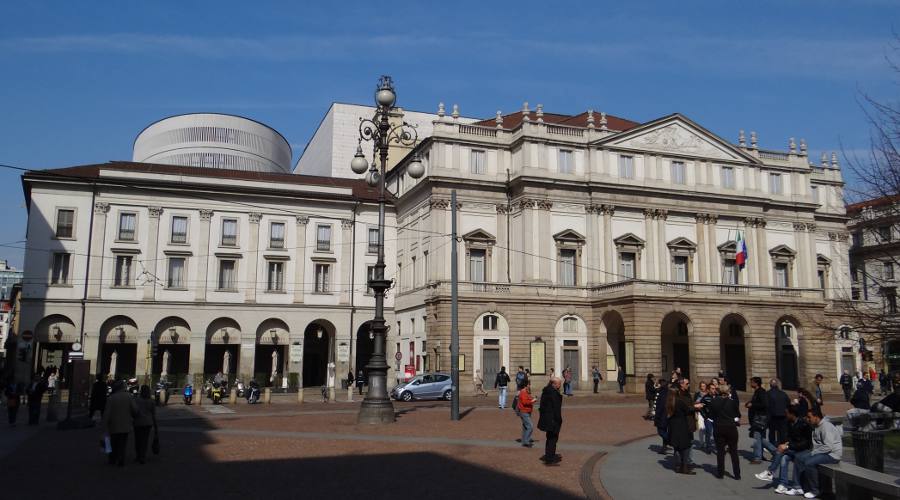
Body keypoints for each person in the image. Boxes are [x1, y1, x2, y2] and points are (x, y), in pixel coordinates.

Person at [755, 404, 812, 494]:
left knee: (781, 451)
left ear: (792, 414)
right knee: (784, 458)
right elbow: (788, 437)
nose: (785, 415)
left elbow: (806, 443)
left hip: (803, 451)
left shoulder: (804, 424)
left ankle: (770, 472)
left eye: (787, 413)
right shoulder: (789, 422)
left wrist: (788, 446)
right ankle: (783, 484)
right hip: (794, 449)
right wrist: (786, 443)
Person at [793, 408, 842, 498]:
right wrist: (813, 452)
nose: (808, 419)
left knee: (809, 463)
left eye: (809, 417)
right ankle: (798, 487)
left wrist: (813, 453)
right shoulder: (815, 426)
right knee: (798, 458)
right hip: (821, 452)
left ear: (816, 417)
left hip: (832, 455)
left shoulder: (826, 427)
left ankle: (815, 490)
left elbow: (828, 446)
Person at [666, 377, 699, 474]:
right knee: (686, 446)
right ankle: (684, 467)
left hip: (673, 425)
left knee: (677, 446)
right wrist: (696, 407)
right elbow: (688, 409)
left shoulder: (669, 402)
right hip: (682, 425)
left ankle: (679, 466)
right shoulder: (679, 401)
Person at [708, 384, 741, 479]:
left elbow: (711, 416)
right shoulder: (732, 402)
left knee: (720, 451)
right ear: (728, 392)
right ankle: (737, 474)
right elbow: (737, 415)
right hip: (730, 427)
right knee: (733, 451)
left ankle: (720, 473)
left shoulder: (713, 401)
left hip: (718, 427)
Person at [104, 380, 138, 466]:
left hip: (113, 424)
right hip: (125, 424)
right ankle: (121, 459)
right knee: (123, 443)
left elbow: (106, 414)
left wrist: (104, 425)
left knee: (113, 442)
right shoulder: (129, 396)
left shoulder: (111, 398)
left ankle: (112, 458)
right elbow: (135, 410)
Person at [537, 377, 563, 465]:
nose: (560, 386)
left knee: (550, 439)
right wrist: (559, 420)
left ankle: (549, 457)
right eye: (559, 384)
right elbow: (556, 409)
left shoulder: (546, 391)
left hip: (547, 419)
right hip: (552, 420)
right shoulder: (553, 393)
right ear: (553, 384)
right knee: (553, 439)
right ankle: (550, 459)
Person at [745, 377, 770, 464]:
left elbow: (765, 404)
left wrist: (752, 405)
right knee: (760, 438)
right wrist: (749, 403)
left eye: (751, 382)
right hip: (757, 419)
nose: (750, 384)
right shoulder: (757, 392)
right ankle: (763, 454)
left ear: (756, 383)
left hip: (759, 419)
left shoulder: (761, 392)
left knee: (757, 438)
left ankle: (758, 457)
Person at [133, 385, 156, 464]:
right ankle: (143, 456)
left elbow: (134, 411)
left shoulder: (136, 400)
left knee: (137, 440)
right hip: (148, 423)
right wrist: (155, 425)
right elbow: (153, 414)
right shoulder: (151, 401)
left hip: (138, 422)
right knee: (145, 440)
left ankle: (138, 455)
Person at [767, 378, 790, 445]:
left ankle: (772, 445)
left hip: (772, 416)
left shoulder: (768, 393)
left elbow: (767, 405)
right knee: (782, 431)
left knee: (772, 432)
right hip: (782, 415)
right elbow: (788, 403)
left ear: (770, 385)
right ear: (777, 385)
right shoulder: (783, 393)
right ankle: (781, 444)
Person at [517, 380, 536, 448]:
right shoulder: (523, 392)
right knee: (530, 426)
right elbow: (525, 402)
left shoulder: (526, 391)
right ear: (526, 385)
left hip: (527, 411)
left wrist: (532, 398)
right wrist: (532, 401)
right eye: (529, 384)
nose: (529, 385)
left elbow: (527, 399)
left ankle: (524, 440)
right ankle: (526, 441)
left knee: (525, 427)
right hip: (524, 411)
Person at [653, 380, 671, 454]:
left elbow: (661, 406)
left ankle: (671, 440)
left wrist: (656, 416)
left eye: (659, 384)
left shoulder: (663, 393)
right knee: (664, 430)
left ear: (662, 384)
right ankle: (664, 447)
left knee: (661, 431)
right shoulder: (662, 391)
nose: (658, 385)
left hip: (662, 415)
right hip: (665, 415)